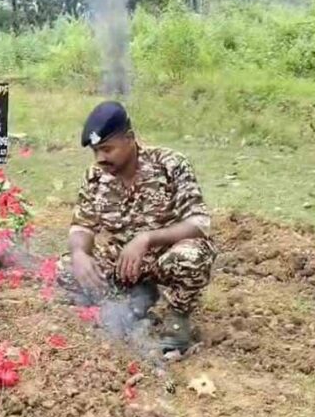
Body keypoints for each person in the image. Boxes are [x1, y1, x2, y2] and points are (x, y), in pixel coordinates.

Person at [59, 101, 217, 354]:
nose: (100, 158)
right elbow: (82, 226)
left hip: (167, 256)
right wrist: (79, 253)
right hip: (125, 262)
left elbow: (199, 223)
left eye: (107, 149)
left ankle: (177, 319)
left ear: (130, 138)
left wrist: (146, 239)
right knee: (67, 268)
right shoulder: (95, 176)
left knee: (192, 256)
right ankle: (130, 303)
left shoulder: (169, 164)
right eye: (95, 151)